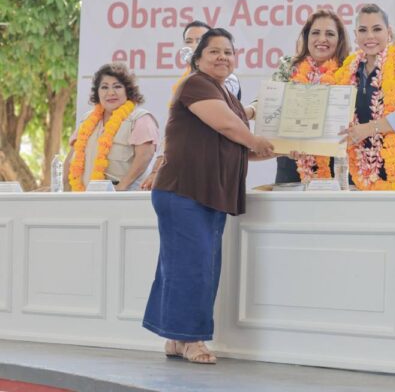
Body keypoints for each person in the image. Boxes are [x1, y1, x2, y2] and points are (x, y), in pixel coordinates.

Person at [142, 28, 274, 364]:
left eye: (228, 52)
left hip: (205, 193)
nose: (222, 57)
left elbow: (237, 148)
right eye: (214, 51)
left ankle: (175, 338)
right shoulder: (196, 84)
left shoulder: (225, 94)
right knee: (194, 267)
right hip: (185, 190)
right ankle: (192, 340)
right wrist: (255, 140)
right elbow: (230, 128)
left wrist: (280, 149)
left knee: (185, 265)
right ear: (198, 58)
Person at [336, 3, 395, 190]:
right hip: (363, 172)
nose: (370, 36)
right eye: (363, 30)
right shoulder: (349, 70)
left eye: (376, 29)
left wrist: (368, 129)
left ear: (388, 33)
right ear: (355, 35)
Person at [140, 21, 242, 190]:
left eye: (199, 41)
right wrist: (156, 170)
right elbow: (173, 132)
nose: (193, 46)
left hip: (212, 166)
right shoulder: (187, 81)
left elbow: (223, 123)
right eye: (189, 41)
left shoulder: (226, 80)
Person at [263, 9, 351, 183]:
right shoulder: (289, 66)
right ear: (306, 37)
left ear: (339, 40)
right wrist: (251, 111)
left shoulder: (349, 70)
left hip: (334, 162)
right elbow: (268, 101)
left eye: (330, 34)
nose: (322, 39)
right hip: (291, 158)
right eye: (315, 33)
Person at [64, 62, 159, 191]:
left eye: (117, 86)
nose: (110, 92)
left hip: (124, 198)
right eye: (104, 87)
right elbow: (71, 159)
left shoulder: (140, 118)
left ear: (127, 90)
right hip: (85, 197)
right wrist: (59, 189)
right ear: (97, 93)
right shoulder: (87, 120)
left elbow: (145, 156)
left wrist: (121, 187)